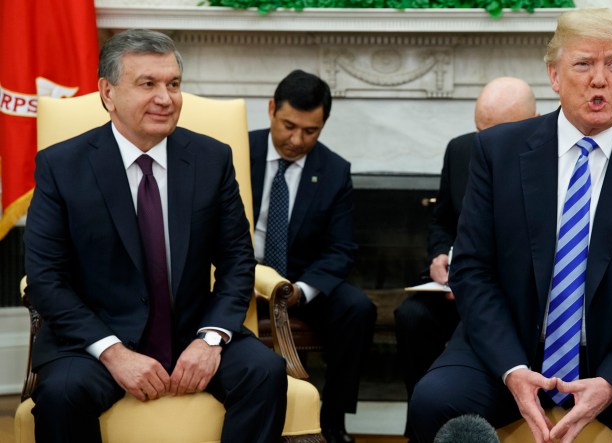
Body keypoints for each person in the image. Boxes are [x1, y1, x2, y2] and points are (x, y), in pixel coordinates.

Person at [408, 8, 612, 443]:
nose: (599, 79)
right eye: (583, 64)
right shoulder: (497, 152)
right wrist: (512, 370)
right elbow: (473, 268)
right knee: (434, 401)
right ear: (554, 75)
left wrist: (611, 380)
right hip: (512, 344)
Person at [24, 29, 287, 443]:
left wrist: (210, 339)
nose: (166, 98)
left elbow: (238, 262)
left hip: (191, 330)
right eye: (148, 84)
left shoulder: (211, 159)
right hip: (95, 338)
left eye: (174, 84)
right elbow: (45, 278)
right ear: (107, 93)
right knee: (62, 393)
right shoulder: (61, 166)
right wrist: (112, 351)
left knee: (265, 372)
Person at [393, 76, 537, 437]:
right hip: (454, 291)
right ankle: (427, 428)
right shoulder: (460, 150)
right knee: (411, 316)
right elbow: (442, 220)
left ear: (532, 120)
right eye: (479, 131)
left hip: (507, 301)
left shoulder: (549, 161)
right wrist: (440, 254)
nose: (484, 144)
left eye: (495, 133)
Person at [249, 69, 377, 443]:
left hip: (299, 285)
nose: (296, 140)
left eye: (311, 131)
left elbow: (341, 249)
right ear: (271, 110)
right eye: (288, 125)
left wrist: (299, 291)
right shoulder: (235, 151)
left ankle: (333, 420)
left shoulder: (334, 170)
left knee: (358, 309)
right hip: (241, 279)